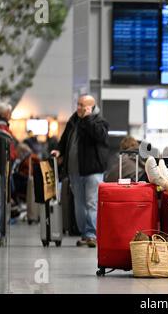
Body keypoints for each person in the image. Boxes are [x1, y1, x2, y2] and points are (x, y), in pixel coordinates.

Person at [51, 95, 109, 248]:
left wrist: (88, 118)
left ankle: (91, 234)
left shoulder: (99, 121)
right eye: (77, 104)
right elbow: (65, 140)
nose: (78, 107)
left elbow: (99, 137)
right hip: (74, 171)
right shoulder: (73, 121)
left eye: (82, 105)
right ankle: (85, 234)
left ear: (91, 106)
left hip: (93, 171)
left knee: (92, 204)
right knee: (79, 205)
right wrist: (59, 150)